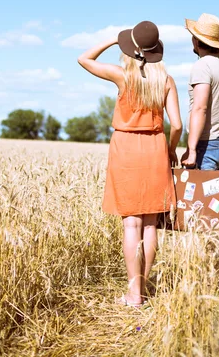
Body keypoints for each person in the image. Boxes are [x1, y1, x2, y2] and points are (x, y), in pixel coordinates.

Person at [78, 21, 182, 306]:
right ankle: (142, 290)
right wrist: (171, 151)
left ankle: (134, 295)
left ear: (131, 48)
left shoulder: (122, 75)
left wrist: (113, 40)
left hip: (125, 149)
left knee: (130, 226)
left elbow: (83, 58)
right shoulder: (167, 80)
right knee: (150, 225)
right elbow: (177, 125)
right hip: (155, 149)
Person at [181, 13, 219, 171]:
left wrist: (191, 150)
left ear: (196, 40)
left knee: (199, 195)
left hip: (207, 145)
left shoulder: (202, 66)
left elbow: (200, 108)